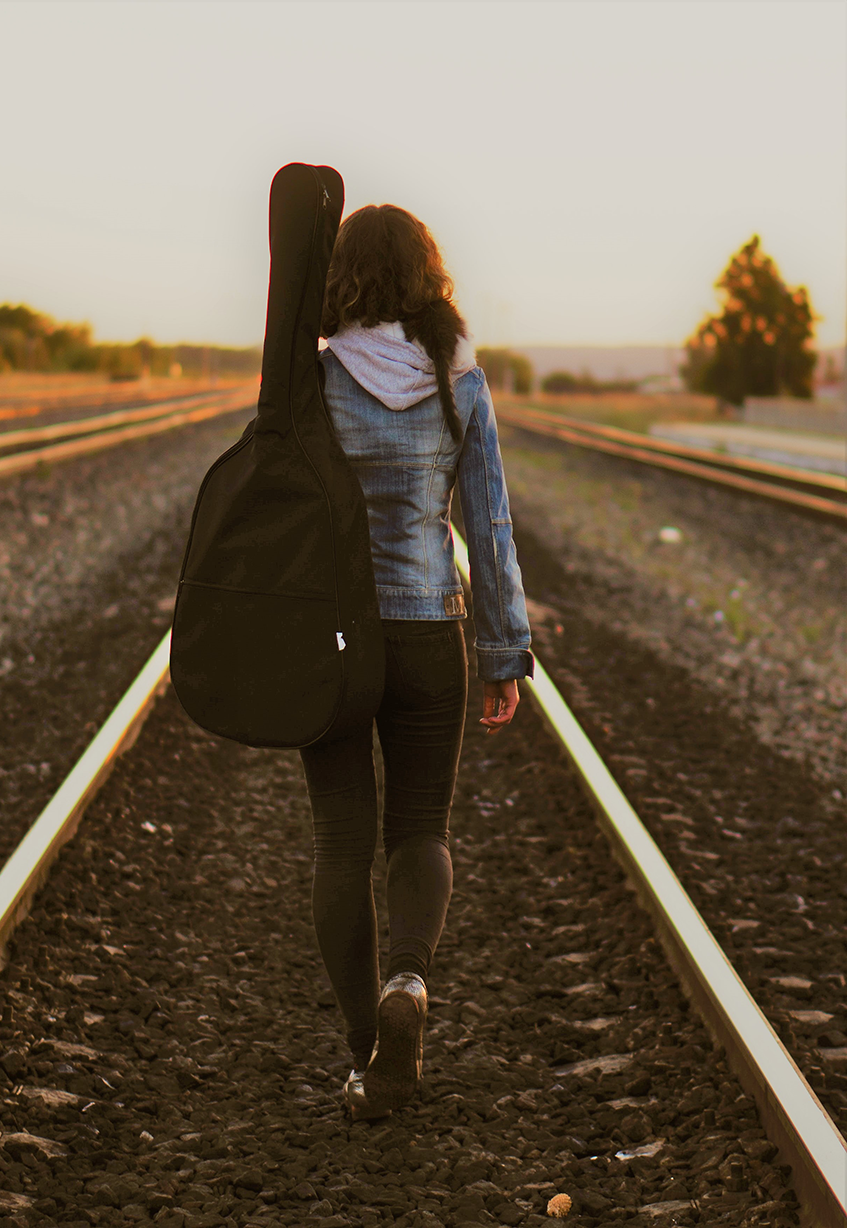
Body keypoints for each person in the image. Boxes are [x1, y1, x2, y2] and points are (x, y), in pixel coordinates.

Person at [298, 204, 534, 1121]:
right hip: (432, 630)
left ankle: (367, 1052)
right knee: (421, 829)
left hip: (336, 643)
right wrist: (504, 650)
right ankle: (409, 978)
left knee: (339, 840)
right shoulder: (457, 377)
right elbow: (491, 523)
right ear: (426, 274)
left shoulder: (315, 379)